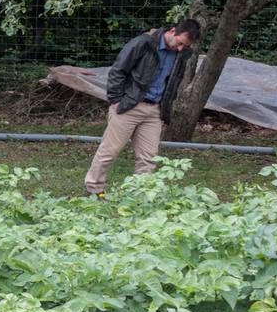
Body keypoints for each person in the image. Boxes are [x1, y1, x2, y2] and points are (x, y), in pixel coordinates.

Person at [83, 18, 202, 197]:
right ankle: (94, 190)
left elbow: (173, 81)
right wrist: (116, 99)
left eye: (185, 46)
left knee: (149, 157)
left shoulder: (181, 55)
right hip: (129, 105)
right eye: (179, 43)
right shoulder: (142, 43)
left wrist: (165, 107)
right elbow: (118, 70)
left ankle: (140, 195)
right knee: (109, 151)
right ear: (172, 31)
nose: (180, 49)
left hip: (155, 110)